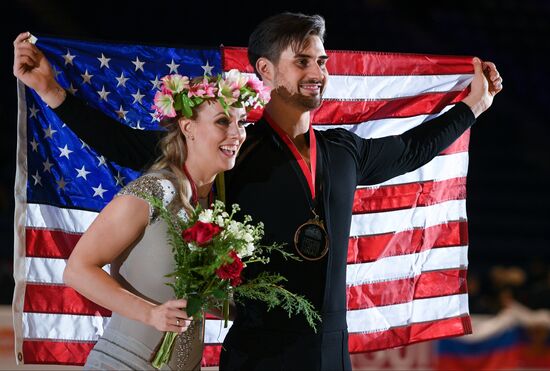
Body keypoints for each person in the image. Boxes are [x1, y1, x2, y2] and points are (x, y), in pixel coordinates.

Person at [13, 11, 503, 370]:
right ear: (265, 72)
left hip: (332, 355)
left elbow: (411, 148)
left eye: (322, 60)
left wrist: (472, 108)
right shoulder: (232, 149)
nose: (318, 72)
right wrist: (53, 92)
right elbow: (128, 145)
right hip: (257, 355)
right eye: (303, 61)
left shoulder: (343, 151)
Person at [14, 31, 270, 370]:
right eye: (223, 121)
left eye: (241, 122)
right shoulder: (153, 190)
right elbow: (77, 271)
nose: (237, 134)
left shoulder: (215, 206)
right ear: (187, 126)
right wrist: (150, 313)